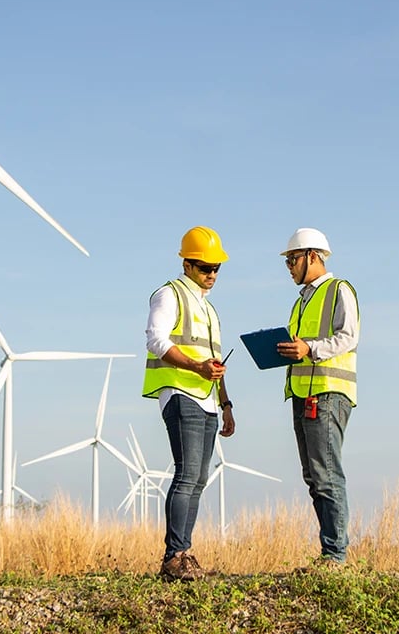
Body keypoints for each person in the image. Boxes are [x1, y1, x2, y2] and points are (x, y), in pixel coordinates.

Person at [143, 226, 236, 581]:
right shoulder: (170, 295)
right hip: (181, 393)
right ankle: (173, 556)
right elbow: (156, 340)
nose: (211, 274)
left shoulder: (210, 310)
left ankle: (184, 553)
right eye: (203, 267)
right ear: (186, 263)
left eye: (216, 268)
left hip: (209, 401)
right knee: (186, 474)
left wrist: (226, 404)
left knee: (198, 478)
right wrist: (196, 366)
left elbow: (215, 361)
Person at [276, 227, 359, 566]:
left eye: (293, 259)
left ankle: (335, 555)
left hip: (327, 393)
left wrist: (308, 348)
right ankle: (330, 553)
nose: (290, 267)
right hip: (303, 392)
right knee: (313, 476)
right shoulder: (301, 302)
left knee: (326, 474)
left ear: (312, 256)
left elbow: (349, 336)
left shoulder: (339, 290)